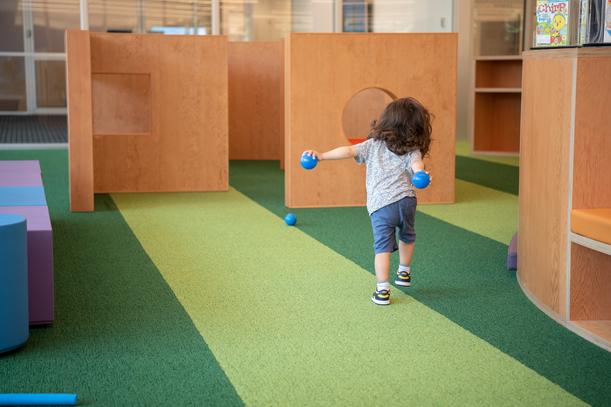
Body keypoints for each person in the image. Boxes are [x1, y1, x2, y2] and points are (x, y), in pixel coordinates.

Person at [304, 97, 432, 305]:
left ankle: (382, 290)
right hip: (407, 201)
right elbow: (418, 166)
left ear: (386, 122)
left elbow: (348, 151)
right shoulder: (413, 150)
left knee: (382, 246)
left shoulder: (373, 145)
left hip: (382, 206)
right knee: (407, 234)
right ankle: (404, 272)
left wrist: (321, 155)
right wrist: (421, 175)